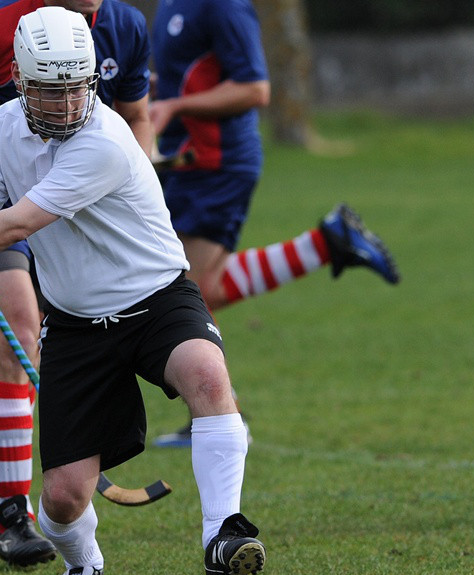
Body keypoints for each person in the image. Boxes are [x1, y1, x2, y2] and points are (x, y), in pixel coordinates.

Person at [0, 6, 265, 575]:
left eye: (78, 87)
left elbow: (16, 223)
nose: (67, 102)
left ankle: (223, 533)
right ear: (21, 82)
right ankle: (84, 568)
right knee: (61, 501)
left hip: (157, 296)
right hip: (76, 325)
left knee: (208, 378)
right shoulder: (0, 130)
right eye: (51, 91)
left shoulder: (103, 140)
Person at [0, 0, 153, 567]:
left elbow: (138, 114)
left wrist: (131, 184)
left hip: (77, 207)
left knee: (21, 354)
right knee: (21, 332)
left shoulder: (127, 25)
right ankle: (13, 512)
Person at [148, 0, 400, 446]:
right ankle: (325, 243)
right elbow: (184, 75)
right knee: (195, 289)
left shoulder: (224, 5)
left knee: (184, 292)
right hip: (184, 162)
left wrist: (175, 105)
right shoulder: (170, 4)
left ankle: (221, 415)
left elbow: (255, 89)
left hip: (219, 163)